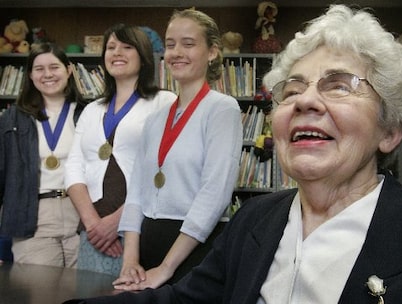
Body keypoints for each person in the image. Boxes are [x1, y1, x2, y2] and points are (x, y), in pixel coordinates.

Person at [65, 4, 402, 303]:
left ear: (391, 129)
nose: (304, 100)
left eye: (338, 86)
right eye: (292, 89)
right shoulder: (254, 221)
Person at [111, 8, 243, 290]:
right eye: (170, 44)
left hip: (195, 248)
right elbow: (136, 191)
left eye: (188, 43)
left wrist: (166, 268)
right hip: (147, 244)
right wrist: (130, 259)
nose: (176, 52)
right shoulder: (156, 118)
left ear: (212, 52)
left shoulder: (222, 109)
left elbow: (215, 193)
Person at [65, 24, 177, 276]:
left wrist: (118, 221)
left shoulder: (164, 102)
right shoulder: (92, 110)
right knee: (89, 296)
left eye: (127, 47)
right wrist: (94, 224)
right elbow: (73, 168)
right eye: (111, 47)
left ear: (144, 56)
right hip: (94, 232)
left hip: (142, 225)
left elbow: (166, 168)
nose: (117, 53)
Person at [0, 42, 86, 267]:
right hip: (32, 215)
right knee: (41, 294)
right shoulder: (12, 118)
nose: (47, 74)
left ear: (68, 70)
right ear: (30, 75)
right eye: (39, 69)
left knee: (85, 294)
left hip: (83, 216)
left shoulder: (89, 112)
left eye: (54, 67)